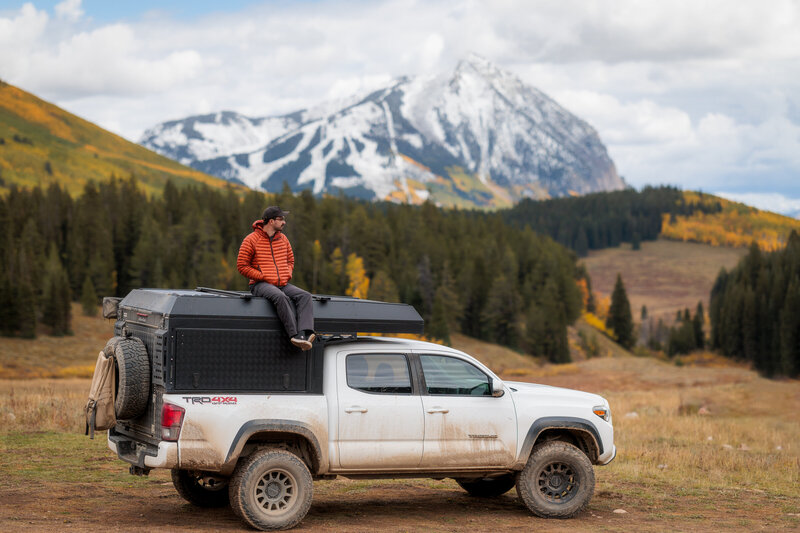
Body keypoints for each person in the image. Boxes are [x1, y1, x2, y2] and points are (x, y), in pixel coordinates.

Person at [237, 206, 315, 351]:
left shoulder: (283, 239)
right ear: (271, 221)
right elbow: (242, 265)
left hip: (282, 283)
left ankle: (306, 332)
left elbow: (290, 260)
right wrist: (261, 276)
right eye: (281, 219)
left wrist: (287, 273)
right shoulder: (251, 240)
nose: (284, 222)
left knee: (305, 296)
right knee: (280, 297)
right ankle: (295, 335)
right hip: (260, 284)